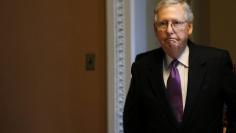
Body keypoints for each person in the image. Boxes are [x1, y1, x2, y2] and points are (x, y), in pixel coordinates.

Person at [123, 0, 236, 132]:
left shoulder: (216, 62)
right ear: (155, 29)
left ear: (189, 28)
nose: (169, 30)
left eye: (176, 23)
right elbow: (132, 121)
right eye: (163, 24)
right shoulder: (142, 66)